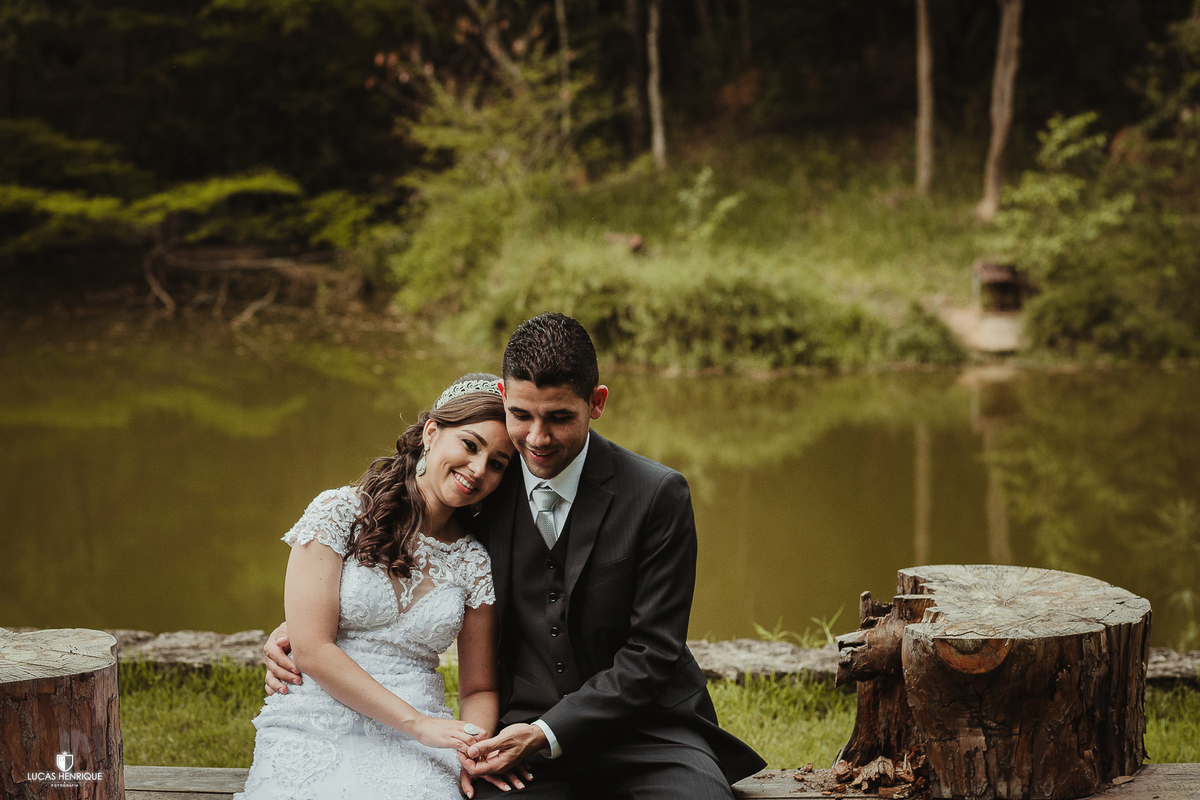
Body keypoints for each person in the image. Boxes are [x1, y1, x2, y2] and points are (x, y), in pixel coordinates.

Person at [267, 314, 766, 799]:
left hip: (648, 729)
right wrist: (295, 633)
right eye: (522, 416)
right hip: (517, 732)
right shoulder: (482, 491)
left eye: (559, 417)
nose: (537, 438)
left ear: (597, 403)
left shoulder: (657, 495)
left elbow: (654, 653)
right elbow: (398, 551)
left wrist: (548, 731)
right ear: (504, 398)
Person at [237, 374, 523, 800]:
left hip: (422, 734)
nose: (479, 469)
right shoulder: (339, 512)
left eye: (497, 463)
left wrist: (471, 747)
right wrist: (417, 725)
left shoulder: (474, 561)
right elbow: (312, 648)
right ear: (431, 433)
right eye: (470, 444)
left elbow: (479, 688)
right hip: (317, 714)